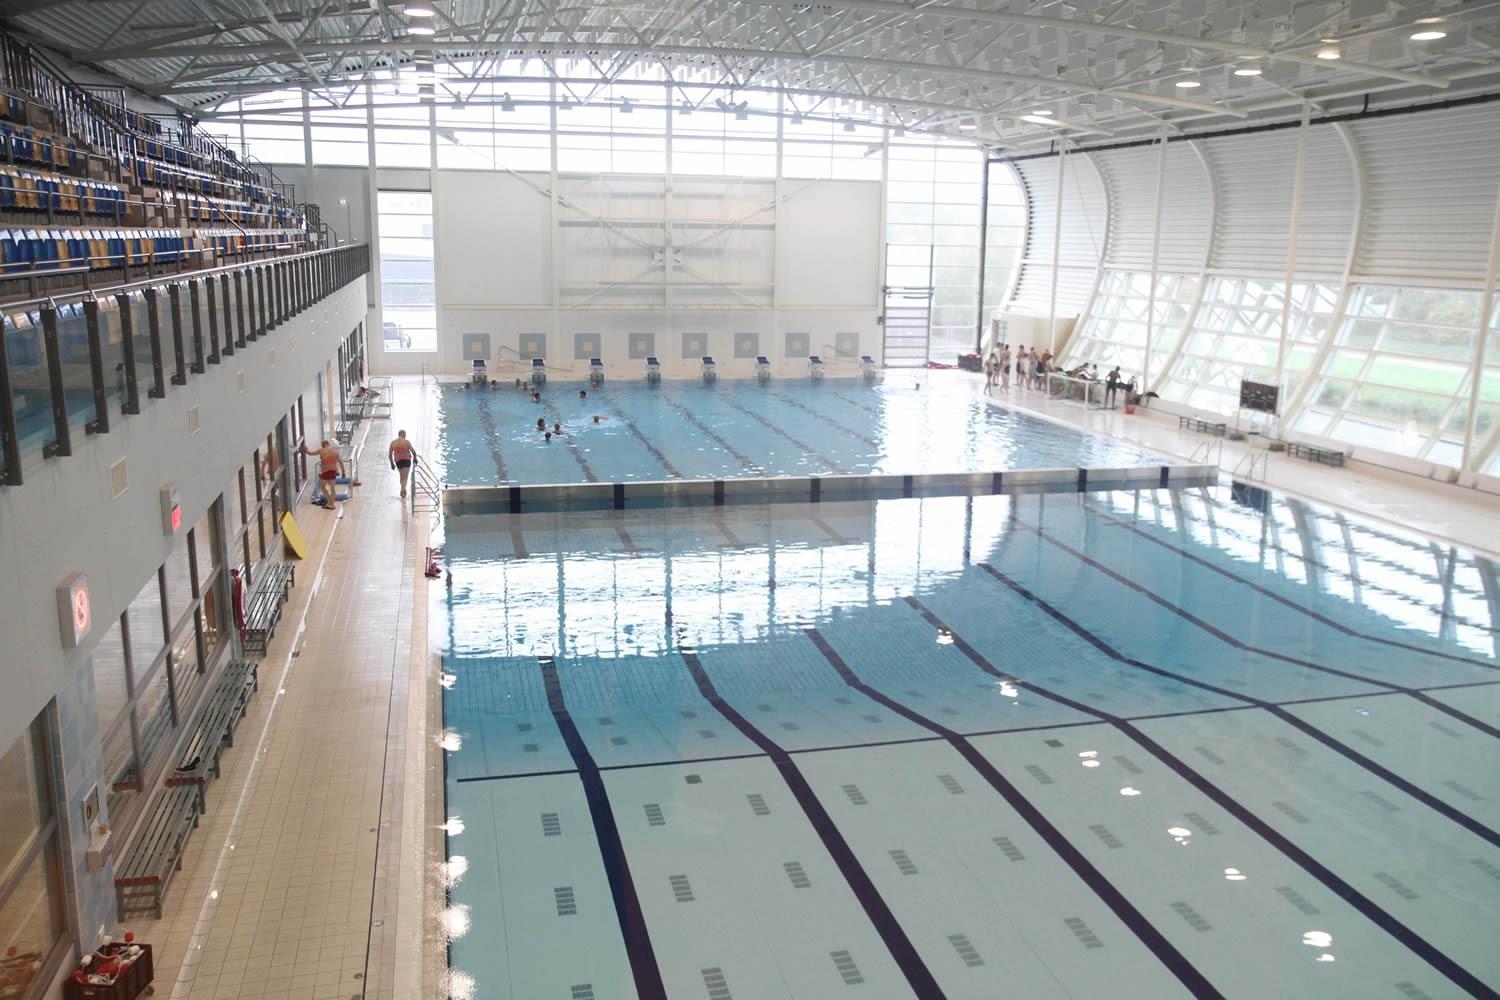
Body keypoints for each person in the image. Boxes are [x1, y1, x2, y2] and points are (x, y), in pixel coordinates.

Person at [302, 439, 345, 508]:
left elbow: (310, 453)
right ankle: (332, 504)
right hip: (333, 471)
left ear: (323, 445)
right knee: (332, 489)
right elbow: (341, 462)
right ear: (328, 444)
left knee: (322, 487)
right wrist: (343, 472)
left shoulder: (321, 450)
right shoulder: (335, 451)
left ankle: (330, 502)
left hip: (325, 471)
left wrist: (305, 449)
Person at [388, 430, 416, 499]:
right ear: (403, 434)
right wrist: (415, 459)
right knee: (405, 477)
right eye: (405, 434)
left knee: (402, 476)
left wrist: (392, 464)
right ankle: (402, 490)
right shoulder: (407, 442)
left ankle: (403, 489)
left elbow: (390, 455)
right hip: (406, 460)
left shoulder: (393, 443)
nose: (405, 436)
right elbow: (413, 452)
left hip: (398, 462)